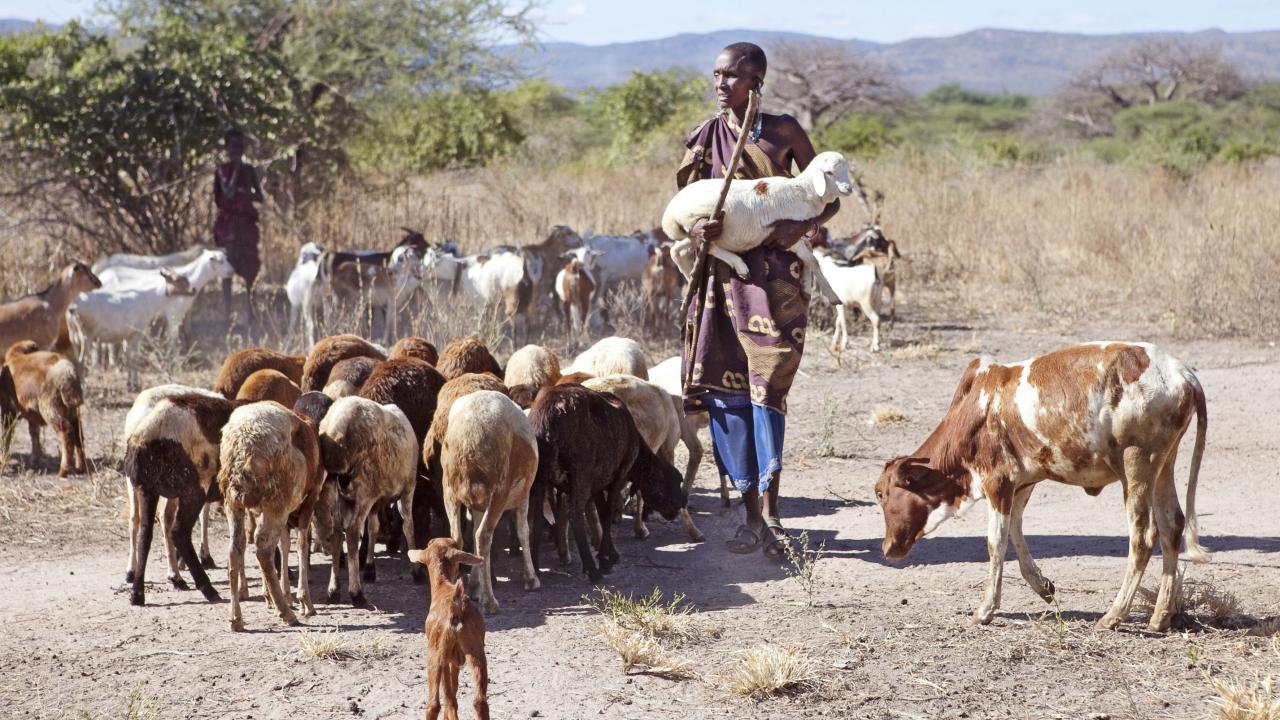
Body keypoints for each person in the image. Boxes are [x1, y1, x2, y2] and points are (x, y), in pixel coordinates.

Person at [677, 42, 839, 558]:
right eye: (718, 75)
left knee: (767, 390)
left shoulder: (785, 131)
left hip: (776, 281)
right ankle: (749, 516)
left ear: (757, 80)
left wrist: (804, 225)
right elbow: (685, 204)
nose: (721, 84)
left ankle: (774, 515)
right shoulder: (706, 137)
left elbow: (827, 193)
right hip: (721, 280)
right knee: (727, 395)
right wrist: (700, 228)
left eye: (732, 76)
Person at [212, 127, 264, 327]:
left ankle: (251, 316)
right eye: (234, 146)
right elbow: (224, 196)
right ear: (227, 148)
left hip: (246, 226)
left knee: (251, 270)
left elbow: (259, 196)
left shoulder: (249, 170)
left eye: (240, 146)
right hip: (227, 229)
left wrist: (246, 192)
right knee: (227, 271)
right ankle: (227, 317)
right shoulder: (221, 171)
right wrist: (234, 173)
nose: (238, 150)